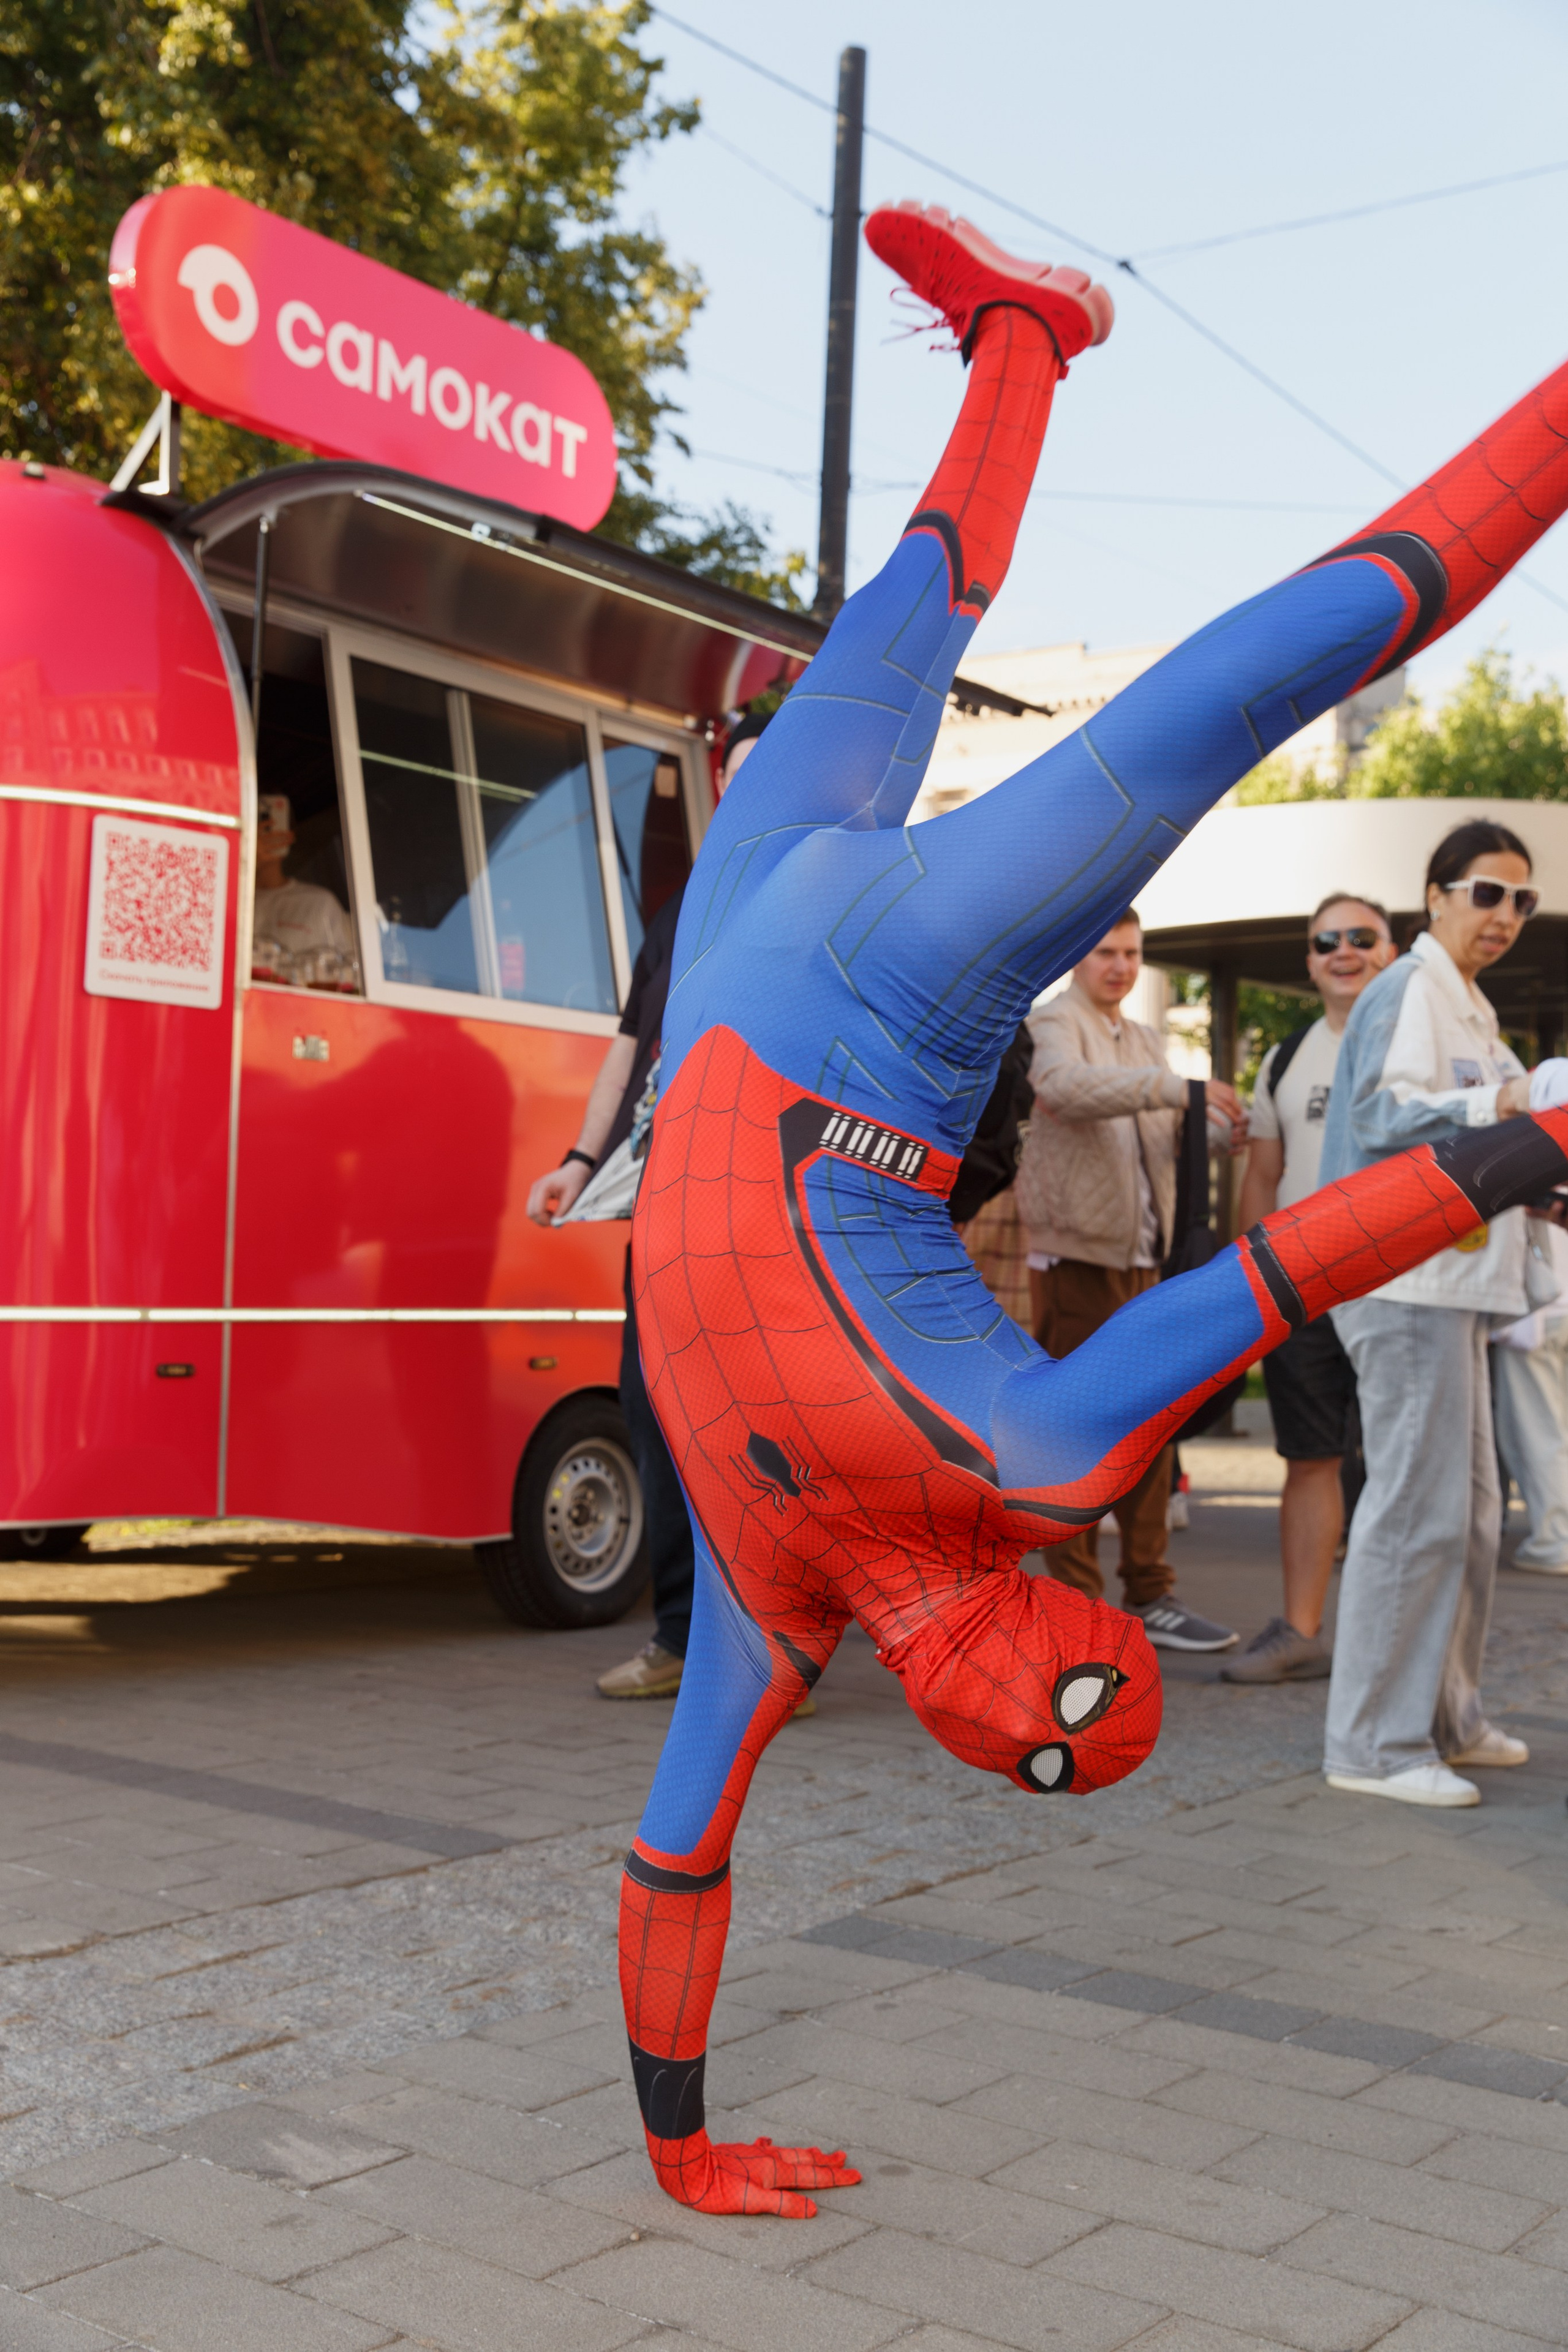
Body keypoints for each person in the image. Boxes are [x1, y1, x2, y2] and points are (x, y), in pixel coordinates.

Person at [619, 199, 1568, 2221]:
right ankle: (1096, 353)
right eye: (1084, 1699)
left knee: (903, 621)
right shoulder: (1043, 1461)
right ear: (1077, 1623)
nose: (1026, 1707)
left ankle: (1023, 346)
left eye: (1044, 1739)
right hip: (886, 996)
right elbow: (1301, 1255)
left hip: (747, 968)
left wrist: (682, 2145)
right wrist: (1535, 1147)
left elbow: (678, 1853)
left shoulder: (766, 1633)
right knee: (1256, 668)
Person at [527, 714, 771, 1700]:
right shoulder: (684, 909)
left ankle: (764, 1649)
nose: (752, 793)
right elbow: (632, 1048)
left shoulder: (821, 903)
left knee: (758, 1428)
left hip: (767, 1213)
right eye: (738, 775)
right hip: (666, 1208)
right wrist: (582, 1160)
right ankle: (682, 1638)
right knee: (657, 1411)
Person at [1319, 821, 1553, 1805]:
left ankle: (1442, 1718)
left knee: (1465, 1520)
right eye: (1487, 893)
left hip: (1453, 1289)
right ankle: (1373, 1744)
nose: (1505, 916)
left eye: (1523, 900)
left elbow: (1467, 1134)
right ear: (1439, 897)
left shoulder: (1470, 1004)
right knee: (1416, 1514)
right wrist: (1506, 1103)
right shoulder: (1409, 987)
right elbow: (1378, 1119)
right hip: (1402, 1283)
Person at [1018, 910, 1245, 1649]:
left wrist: (1217, 1128)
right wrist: (1174, 1091)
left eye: (1131, 953)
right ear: (1078, 959)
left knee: (1153, 1431)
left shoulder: (1144, 1039)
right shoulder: (1054, 1022)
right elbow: (1060, 1090)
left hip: (1150, 1260)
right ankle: (1078, 1603)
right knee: (1077, 1435)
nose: (1119, 965)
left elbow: (1161, 1131)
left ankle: (1151, 1593)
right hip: (1078, 1259)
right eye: (1104, 951)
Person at [1225, 894, 1396, 1683]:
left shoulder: (1416, 1043)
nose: (1344, 951)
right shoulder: (1284, 1057)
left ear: (1391, 951)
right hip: (1306, 1292)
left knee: (1403, 1467)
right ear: (1309, 960)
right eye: (1327, 940)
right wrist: (1257, 1288)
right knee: (1310, 1460)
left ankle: (1393, 1641)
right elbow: (1261, 1175)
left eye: (1362, 937)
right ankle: (1301, 1631)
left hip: (1403, 1291)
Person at [1490, 1221, 1568, 1575]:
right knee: (1552, 1429)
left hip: (1539, 1310)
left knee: (1537, 1432)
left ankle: (1555, 1541)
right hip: (1549, 1306)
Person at [251, 794, 357, 983]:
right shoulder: (225, 899)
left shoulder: (320, 903)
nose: (265, 831)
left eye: (273, 823)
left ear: (289, 833)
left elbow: (349, 978)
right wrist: (243, 861)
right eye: (257, 821)